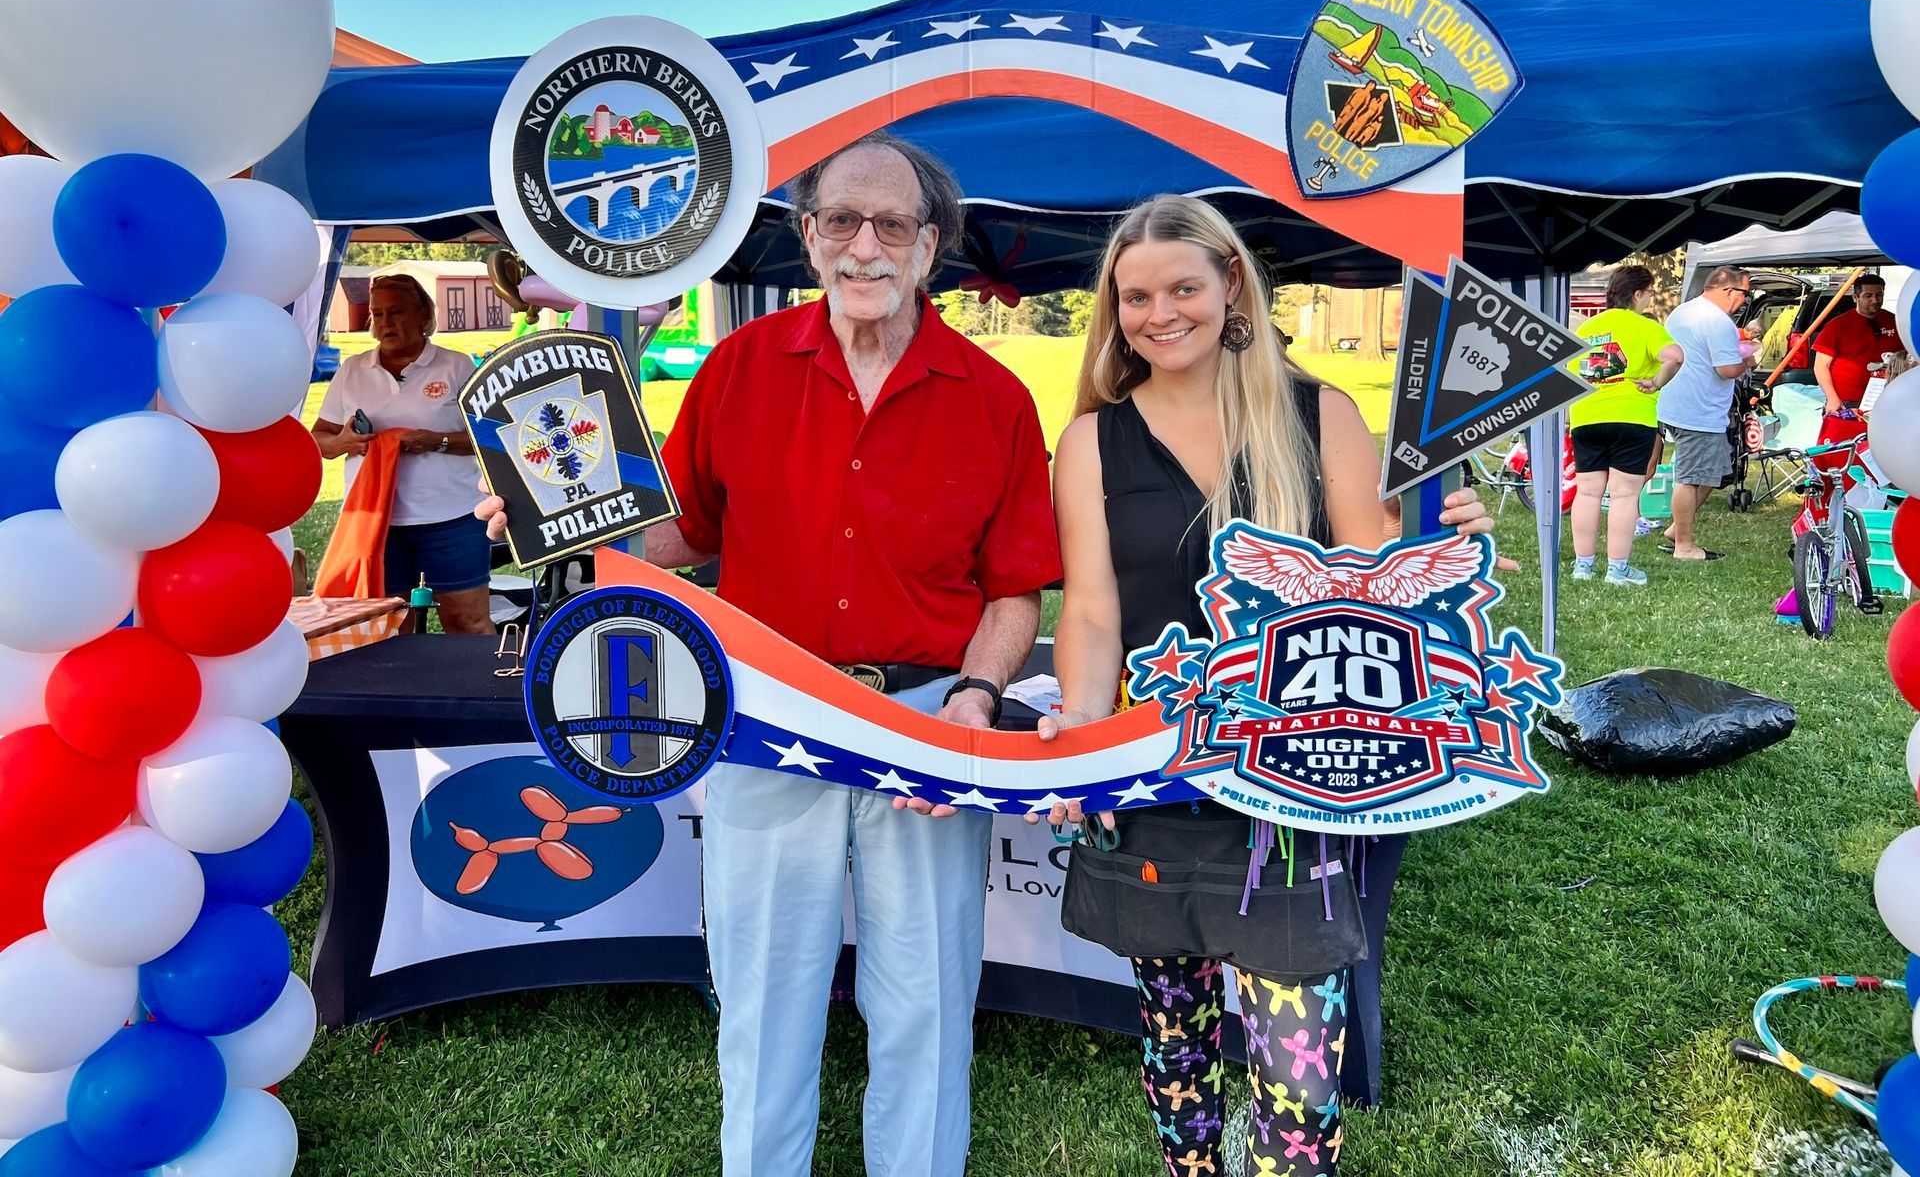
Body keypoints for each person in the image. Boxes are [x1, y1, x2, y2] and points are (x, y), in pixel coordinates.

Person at [482, 133, 1060, 1176]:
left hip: (925, 721)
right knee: (759, 994)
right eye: (842, 220)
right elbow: (687, 533)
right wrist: (560, 524)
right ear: (808, 236)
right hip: (765, 718)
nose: (865, 246)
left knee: (926, 999)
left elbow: (1016, 587)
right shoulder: (740, 366)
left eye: (893, 225)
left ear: (931, 248)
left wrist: (977, 695)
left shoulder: (996, 397)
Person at [1030, 195, 1496, 1177]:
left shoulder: (1318, 413)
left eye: (1184, 288)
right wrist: (1080, 728)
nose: (1161, 314)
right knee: (1177, 1047)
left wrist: (1446, 549)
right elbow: (1092, 612)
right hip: (1153, 786)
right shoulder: (1089, 443)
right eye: (1137, 296)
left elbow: (1381, 590)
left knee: (1301, 1090)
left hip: (1296, 792)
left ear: (1232, 283)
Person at [312, 273, 492, 633]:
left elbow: (489, 437)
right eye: (377, 315)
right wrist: (346, 442)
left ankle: (480, 689)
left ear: (424, 316)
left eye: (396, 312)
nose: (385, 323)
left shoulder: (457, 366)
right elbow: (318, 439)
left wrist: (436, 441)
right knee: (389, 626)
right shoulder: (353, 370)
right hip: (377, 523)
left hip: (453, 518)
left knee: (466, 621)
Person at [1567, 264, 1682, 585]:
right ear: (1636, 294)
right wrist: (1657, 382)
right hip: (1632, 416)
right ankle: (1618, 570)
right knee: (1623, 495)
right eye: (1648, 294)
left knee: (1588, 493)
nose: (1649, 301)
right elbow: (1675, 355)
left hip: (1587, 415)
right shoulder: (1644, 325)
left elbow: (1571, 372)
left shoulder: (1586, 328)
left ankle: (1583, 567)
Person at [1655, 266, 1754, 562]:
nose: (1746, 300)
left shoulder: (1682, 312)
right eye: (1745, 293)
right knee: (1689, 477)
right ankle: (1684, 546)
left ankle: (1676, 528)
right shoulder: (1718, 321)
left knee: (1715, 470)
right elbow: (1725, 369)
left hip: (1676, 403)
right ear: (1728, 291)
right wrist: (1746, 361)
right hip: (1698, 409)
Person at [1813, 273, 1903, 443]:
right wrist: (1832, 399)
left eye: (1879, 295)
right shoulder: (1838, 325)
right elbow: (1820, 366)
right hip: (1847, 402)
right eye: (1868, 296)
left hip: (1884, 400)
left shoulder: (1894, 321)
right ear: (1855, 297)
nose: (1875, 300)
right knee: (1845, 450)